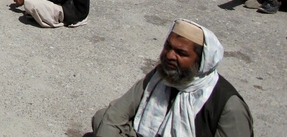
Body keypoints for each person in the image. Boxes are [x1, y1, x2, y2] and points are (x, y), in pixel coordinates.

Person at [91, 19, 253, 137]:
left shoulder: (227, 104)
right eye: (168, 47)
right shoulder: (162, 74)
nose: (169, 55)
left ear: (201, 60)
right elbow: (119, 111)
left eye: (181, 53)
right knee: (103, 118)